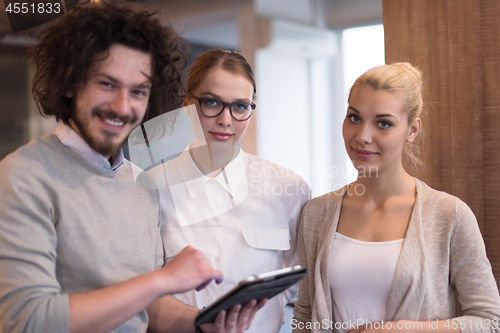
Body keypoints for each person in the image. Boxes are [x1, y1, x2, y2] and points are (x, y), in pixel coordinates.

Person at [0, 2, 265, 333]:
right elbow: (27, 320)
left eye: (138, 91)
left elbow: (147, 308)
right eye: (107, 84)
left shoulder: (141, 185)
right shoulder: (23, 176)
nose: (122, 107)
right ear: (70, 82)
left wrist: (201, 324)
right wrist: (161, 280)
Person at [292, 63, 500, 333]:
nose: (363, 136)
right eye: (354, 117)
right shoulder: (316, 213)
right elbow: (305, 313)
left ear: (412, 130)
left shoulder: (450, 215)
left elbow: (489, 320)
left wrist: (405, 329)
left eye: (384, 123)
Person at [146, 49, 311, 333]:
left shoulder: (288, 188)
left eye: (240, 107)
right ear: (187, 103)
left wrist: (263, 320)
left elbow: (296, 281)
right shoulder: (150, 189)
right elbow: (138, 292)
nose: (225, 120)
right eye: (211, 102)